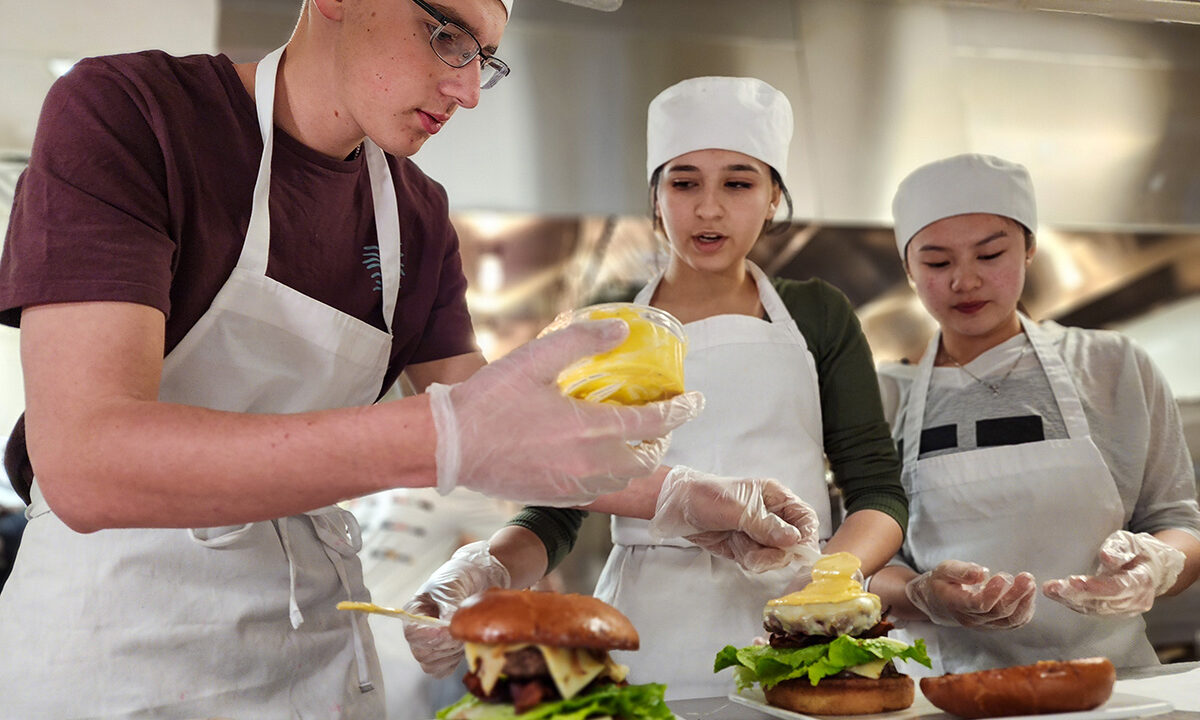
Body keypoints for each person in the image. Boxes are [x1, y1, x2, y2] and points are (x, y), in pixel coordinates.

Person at [0, 0, 710, 716]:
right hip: (113, 657)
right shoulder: (131, 114)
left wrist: (687, 498)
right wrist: (443, 437)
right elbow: (84, 462)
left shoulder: (417, 217)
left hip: (314, 660)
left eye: (484, 59)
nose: (467, 90)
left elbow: (517, 431)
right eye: (447, 36)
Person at [403, 76, 909, 700]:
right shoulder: (606, 321)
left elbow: (877, 488)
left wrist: (829, 582)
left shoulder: (817, 314)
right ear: (656, 196)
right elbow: (561, 499)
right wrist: (490, 565)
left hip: (798, 624)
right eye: (684, 182)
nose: (708, 208)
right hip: (648, 630)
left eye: (739, 183)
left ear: (774, 196)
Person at [869, 153, 1200, 675]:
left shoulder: (1112, 365)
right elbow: (861, 567)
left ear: (1028, 250)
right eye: (937, 263)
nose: (965, 280)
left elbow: (1180, 523)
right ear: (909, 271)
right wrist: (921, 594)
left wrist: (1158, 567)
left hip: (1112, 689)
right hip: (947, 694)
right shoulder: (884, 397)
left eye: (990, 254)